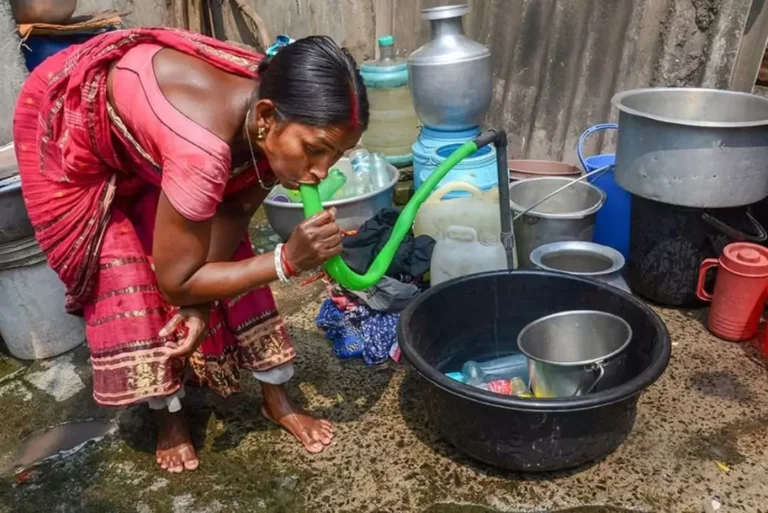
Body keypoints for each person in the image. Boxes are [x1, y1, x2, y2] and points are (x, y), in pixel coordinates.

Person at [13, 27, 369, 473]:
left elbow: (235, 211)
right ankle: (170, 415)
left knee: (233, 256)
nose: (321, 172)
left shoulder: (276, 109)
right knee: (124, 272)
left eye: (336, 156)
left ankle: (275, 397)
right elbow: (176, 279)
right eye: (316, 151)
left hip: (162, 128)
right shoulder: (202, 149)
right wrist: (286, 261)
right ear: (264, 117)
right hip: (74, 129)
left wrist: (199, 298)